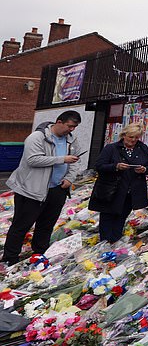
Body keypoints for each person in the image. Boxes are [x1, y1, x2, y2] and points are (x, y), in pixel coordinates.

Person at [2, 112, 84, 264]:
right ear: (59, 122)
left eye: (75, 127)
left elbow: (76, 160)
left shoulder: (71, 140)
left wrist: (69, 179)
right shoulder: (37, 137)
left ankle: (39, 254)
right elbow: (33, 159)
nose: (72, 130)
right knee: (21, 225)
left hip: (57, 189)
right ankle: (10, 258)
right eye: (70, 126)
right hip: (32, 190)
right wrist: (62, 159)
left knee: (46, 225)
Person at [89, 123, 148, 243]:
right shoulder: (111, 148)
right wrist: (116, 166)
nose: (133, 140)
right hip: (112, 190)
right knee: (107, 218)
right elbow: (99, 166)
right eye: (130, 137)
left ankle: (115, 243)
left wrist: (144, 169)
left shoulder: (142, 148)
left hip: (131, 191)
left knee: (121, 218)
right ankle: (105, 244)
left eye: (136, 138)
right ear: (124, 135)